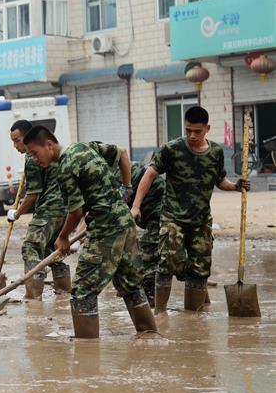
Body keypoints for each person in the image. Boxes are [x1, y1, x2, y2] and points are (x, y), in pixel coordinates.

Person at [23, 126, 157, 339]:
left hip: (106, 230)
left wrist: (63, 236)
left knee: (82, 292)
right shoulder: (85, 147)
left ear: (49, 145)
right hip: (125, 224)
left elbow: (75, 212)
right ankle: (151, 336)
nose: (34, 159)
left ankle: (86, 355)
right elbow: (122, 153)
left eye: (34, 153)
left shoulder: (65, 167)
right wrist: (126, 188)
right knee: (131, 286)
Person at [131, 106, 249, 312]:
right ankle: (160, 313)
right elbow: (149, 175)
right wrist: (136, 206)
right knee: (168, 262)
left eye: (197, 131)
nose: (192, 136)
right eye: (188, 131)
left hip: (201, 220)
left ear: (207, 129)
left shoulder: (215, 152)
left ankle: (194, 317)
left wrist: (237, 186)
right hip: (172, 218)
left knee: (200, 269)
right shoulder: (172, 149)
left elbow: (220, 181)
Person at [7, 120, 70, 299]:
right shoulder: (49, 153)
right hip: (63, 208)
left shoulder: (32, 158)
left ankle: (34, 297)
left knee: (31, 247)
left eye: (17, 140)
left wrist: (16, 214)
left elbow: (33, 194)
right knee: (52, 248)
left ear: (27, 138)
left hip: (49, 208)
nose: (15, 145)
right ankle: (64, 291)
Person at [125, 162, 165, 307]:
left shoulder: (116, 180)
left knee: (147, 255)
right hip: (153, 210)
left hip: (160, 209)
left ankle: (151, 300)